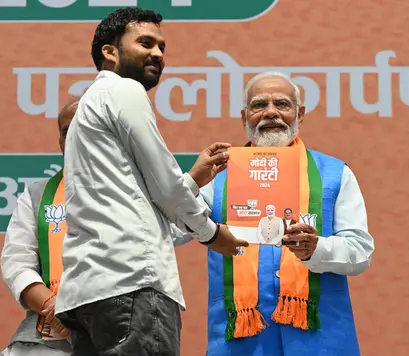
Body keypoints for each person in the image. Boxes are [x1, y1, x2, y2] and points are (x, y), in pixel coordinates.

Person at [53, 7, 247, 356]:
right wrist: (213, 234)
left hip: (88, 293)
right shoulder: (124, 91)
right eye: (145, 43)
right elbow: (166, 188)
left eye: (162, 47)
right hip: (131, 286)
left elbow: (137, 203)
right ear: (109, 52)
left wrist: (191, 180)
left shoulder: (88, 107)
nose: (157, 53)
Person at [198, 71, 375, 355]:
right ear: (244, 117)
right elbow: (173, 231)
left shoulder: (335, 174)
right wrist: (192, 183)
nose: (271, 113)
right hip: (240, 342)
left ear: (299, 115)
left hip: (321, 342)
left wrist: (317, 249)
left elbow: (361, 252)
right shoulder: (217, 177)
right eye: (259, 105)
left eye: (282, 104)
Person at [0, 98, 79, 356]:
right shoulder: (38, 195)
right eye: (68, 132)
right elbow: (16, 262)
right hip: (45, 340)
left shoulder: (134, 193)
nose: (76, 138)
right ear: (59, 142)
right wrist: (53, 307)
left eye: (85, 127)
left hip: (117, 334)